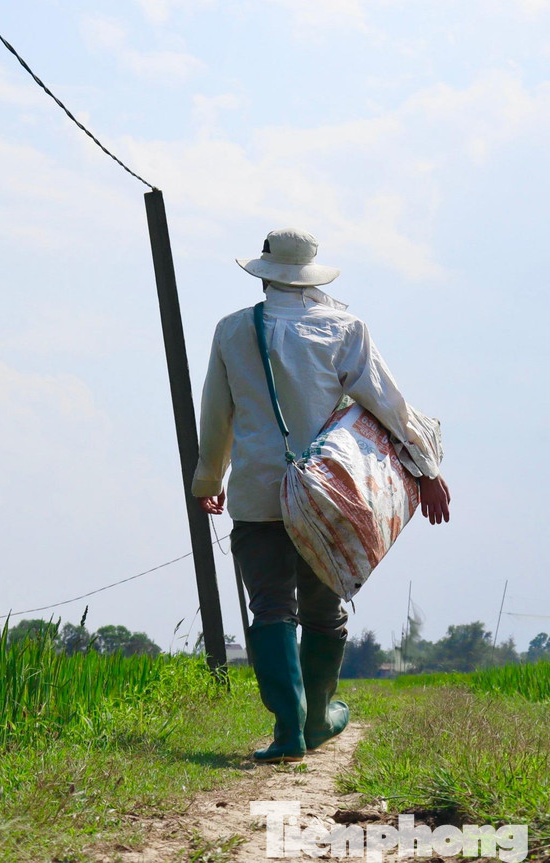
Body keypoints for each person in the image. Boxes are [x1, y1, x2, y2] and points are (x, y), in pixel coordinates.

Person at [192, 228, 451, 763]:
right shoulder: (344, 328)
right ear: (310, 274)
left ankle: (287, 732)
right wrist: (425, 469)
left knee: (269, 608)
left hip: (259, 491)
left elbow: (217, 416)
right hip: (326, 497)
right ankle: (318, 718)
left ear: (264, 271)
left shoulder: (232, 330)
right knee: (324, 609)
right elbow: (387, 403)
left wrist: (208, 480)